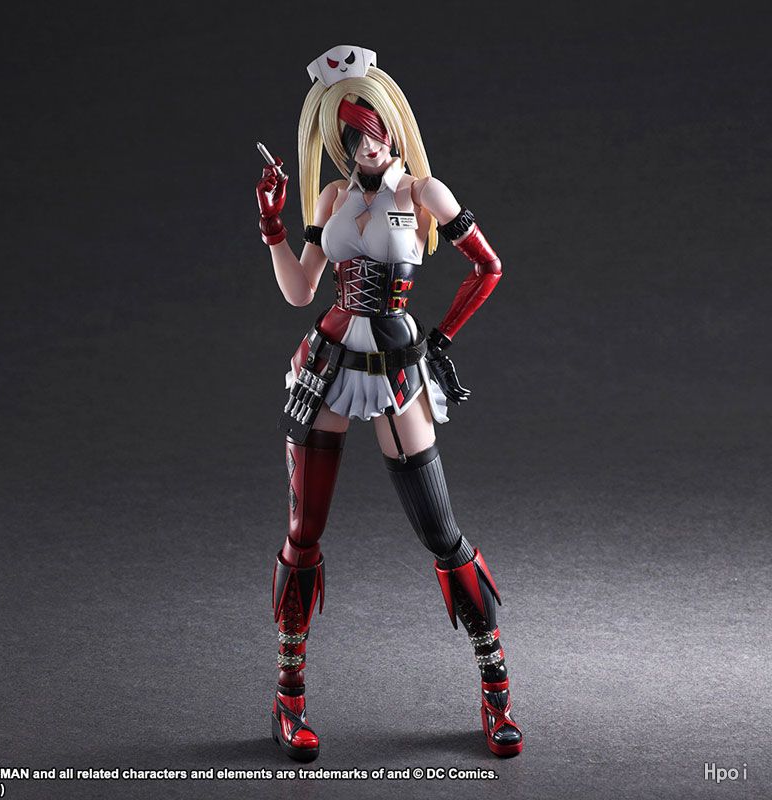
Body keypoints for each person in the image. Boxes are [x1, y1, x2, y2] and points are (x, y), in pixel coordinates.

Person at [256, 45, 522, 761]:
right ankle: (288, 698)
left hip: (397, 362)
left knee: (442, 532)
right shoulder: (332, 200)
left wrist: (442, 338)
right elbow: (300, 290)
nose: (363, 148)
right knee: (303, 533)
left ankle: (496, 692)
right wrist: (273, 226)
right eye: (349, 139)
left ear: (391, 127)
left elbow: (488, 267)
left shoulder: (422, 192)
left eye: (371, 132)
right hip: (327, 359)